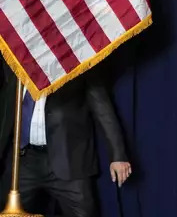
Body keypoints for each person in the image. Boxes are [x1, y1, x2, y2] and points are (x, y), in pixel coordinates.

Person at [0, 59, 132, 217]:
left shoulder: (79, 58)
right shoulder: (15, 56)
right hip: (22, 161)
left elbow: (102, 106)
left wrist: (118, 156)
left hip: (69, 161)